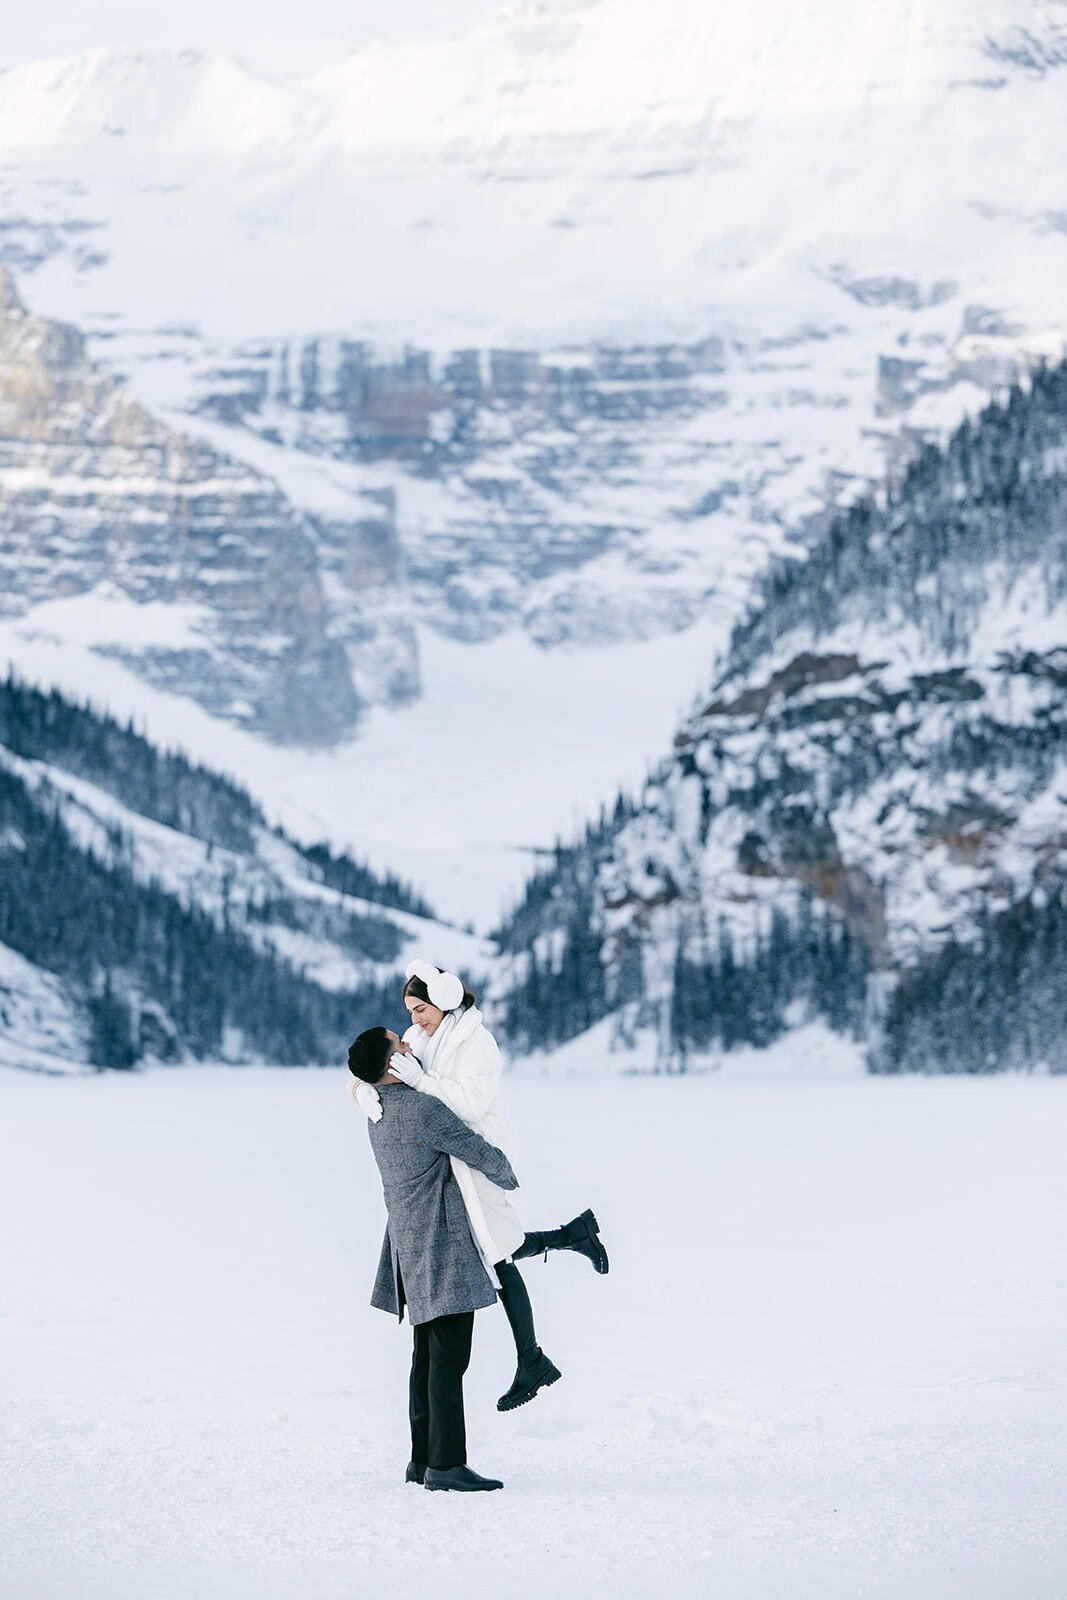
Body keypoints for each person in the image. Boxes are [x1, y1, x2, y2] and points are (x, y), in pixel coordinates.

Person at [351, 959, 608, 1412]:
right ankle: (572, 1240)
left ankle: (532, 1358)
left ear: (445, 1001)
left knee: (495, 1252)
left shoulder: (478, 1044)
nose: (413, 1021)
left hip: (477, 1152)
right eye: (409, 1012)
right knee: (494, 1247)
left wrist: (423, 1082)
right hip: (445, 1158)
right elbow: (373, 1067)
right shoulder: (421, 1038)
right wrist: (363, 1093)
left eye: (419, 1009)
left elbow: (470, 1104)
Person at [349, 1024, 514, 1491]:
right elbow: (477, 1150)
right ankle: (446, 1465)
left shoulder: (376, 1112)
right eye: (400, 1047)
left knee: (425, 1358)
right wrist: (508, 1173)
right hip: (443, 1246)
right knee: (448, 1361)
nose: (409, 1048)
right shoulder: (422, 1110)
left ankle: (421, 1459)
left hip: (409, 1244)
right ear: (390, 1065)